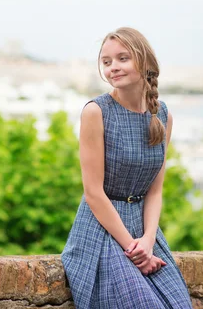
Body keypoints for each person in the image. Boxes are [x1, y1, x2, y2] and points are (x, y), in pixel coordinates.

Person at [61, 27, 192, 308]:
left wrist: (148, 240)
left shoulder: (163, 115)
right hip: (102, 232)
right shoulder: (97, 111)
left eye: (123, 58)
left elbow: (155, 191)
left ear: (145, 62)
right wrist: (135, 249)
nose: (113, 68)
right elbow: (93, 193)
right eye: (106, 62)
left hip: (145, 233)